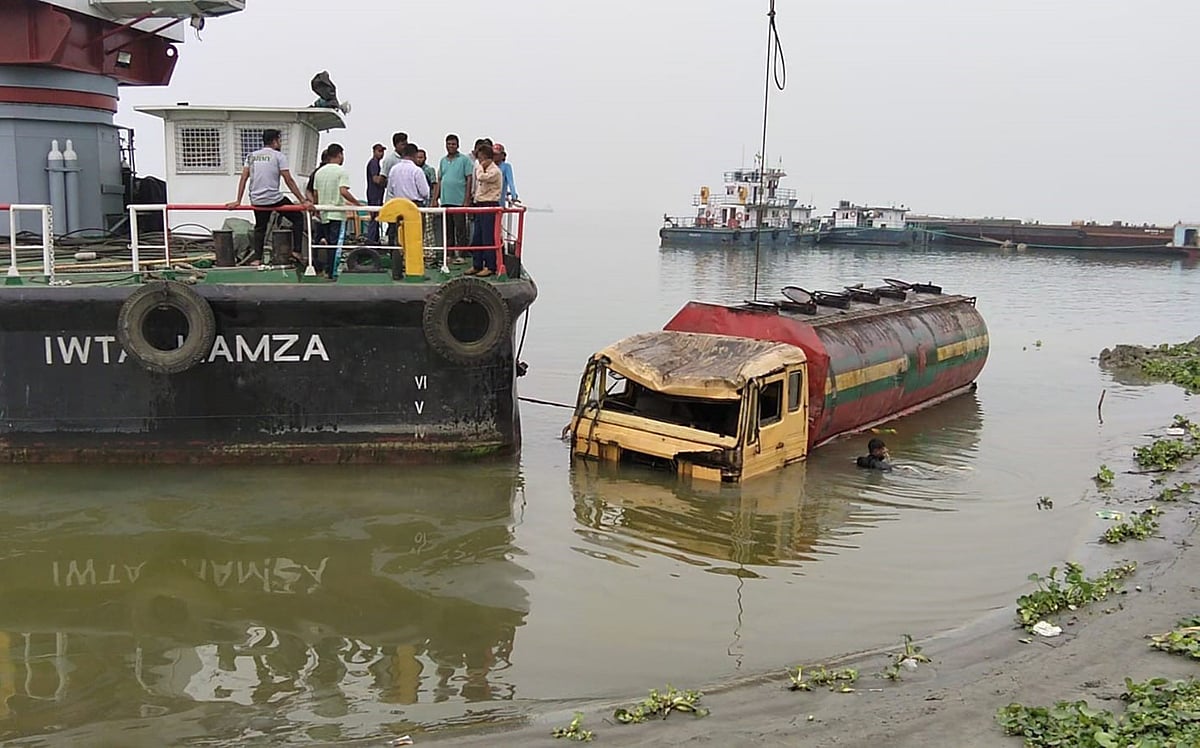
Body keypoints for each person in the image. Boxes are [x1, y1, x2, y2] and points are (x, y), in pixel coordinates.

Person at [226, 128, 309, 265]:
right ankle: (297, 250)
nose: (280, 143)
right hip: (274, 199)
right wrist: (302, 200)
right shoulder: (278, 156)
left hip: (257, 200)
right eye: (280, 140)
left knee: (260, 227)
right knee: (298, 217)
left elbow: (244, 178)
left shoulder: (251, 156)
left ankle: (257, 258)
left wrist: (238, 201)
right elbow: (288, 180)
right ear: (275, 141)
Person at [312, 143, 361, 275]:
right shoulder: (341, 171)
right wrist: (357, 203)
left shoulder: (319, 172)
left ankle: (322, 268)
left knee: (326, 243)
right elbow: (343, 191)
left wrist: (316, 208)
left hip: (323, 212)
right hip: (337, 214)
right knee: (336, 244)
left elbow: (315, 194)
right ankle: (331, 272)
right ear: (339, 155)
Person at [467, 143, 502, 277]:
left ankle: (490, 266)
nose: (479, 161)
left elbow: (481, 177)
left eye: (481, 158)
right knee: (477, 237)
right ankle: (477, 264)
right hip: (480, 205)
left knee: (488, 237)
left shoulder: (494, 171)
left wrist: (480, 167)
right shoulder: (484, 169)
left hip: (490, 205)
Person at [385, 143, 430, 247]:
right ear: (414, 155)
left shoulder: (394, 170)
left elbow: (390, 189)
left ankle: (399, 259)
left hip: (398, 206)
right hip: (414, 206)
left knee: (400, 236)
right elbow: (425, 192)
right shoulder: (417, 171)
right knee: (416, 238)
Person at [437, 134, 473, 252]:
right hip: (445, 200)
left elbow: (469, 178)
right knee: (448, 229)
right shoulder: (443, 161)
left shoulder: (464, 160)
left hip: (459, 201)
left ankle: (461, 253)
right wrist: (434, 200)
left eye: (453, 144)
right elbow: (440, 180)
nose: (451, 146)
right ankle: (449, 253)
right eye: (449, 144)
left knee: (460, 228)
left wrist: (467, 199)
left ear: (457, 145)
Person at [415, 148, 439, 249]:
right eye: (418, 157)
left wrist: (434, 200)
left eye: (421, 157)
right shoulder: (414, 170)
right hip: (417, 204)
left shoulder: (429, 170)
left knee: (428, 230)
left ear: (425, 158)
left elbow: (435, 185)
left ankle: (430, 253)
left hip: (428, 203)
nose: (419, 160)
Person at [365, 143, 386, 244]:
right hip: (374, 194)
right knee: (374, 217)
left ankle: (375, 239)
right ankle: (371, 240)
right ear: (374, 151)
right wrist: (385, 181)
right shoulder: (373, 163)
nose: (381, 154)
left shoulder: (376, 163)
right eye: (379, 151)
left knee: (377, 217)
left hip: (376, 194)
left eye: (382, 151)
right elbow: (375, 179)